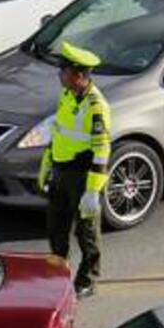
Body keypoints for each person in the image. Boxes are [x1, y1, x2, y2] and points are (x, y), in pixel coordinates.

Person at [37, 42, 112, 299]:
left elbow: (102, 150)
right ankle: (58, 275)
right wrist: (47, 163)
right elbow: (59, 131)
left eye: (64, 70)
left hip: (82, 176)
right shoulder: (66, 95)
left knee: (86, 232)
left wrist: (92, 192)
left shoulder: (96, 106)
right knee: (56, 227)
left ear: (79, 75)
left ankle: (88, 278)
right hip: (61, 171)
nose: (59, 74)